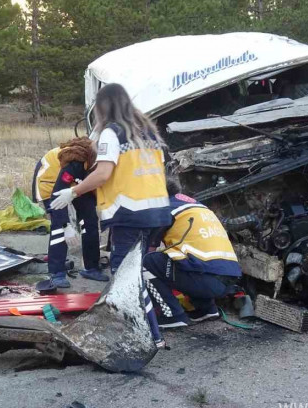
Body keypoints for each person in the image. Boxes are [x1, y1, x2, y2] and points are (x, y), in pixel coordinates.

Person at [49, 84, 172, 273]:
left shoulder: (113, 133)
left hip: (131, 214)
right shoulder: (150, 134)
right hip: (159, 214)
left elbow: (103, 174)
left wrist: (73, 192)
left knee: (123, 272)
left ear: (102, 108)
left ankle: (126, 303)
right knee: (142, 269)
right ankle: (146, 302)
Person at [143, 179, 242, 328]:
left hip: (206, 280)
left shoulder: (163, 208)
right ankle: (206, 309)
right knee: (187, 259)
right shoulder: (196, 205)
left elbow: (149, 251)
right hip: (230, 278)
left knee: (146, 263)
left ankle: (172, 315)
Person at [32, 137, 108, 290]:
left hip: (76, 183)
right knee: (59, 229)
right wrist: (66, 225)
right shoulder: (76, 161)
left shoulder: (102, 162)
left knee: (90, 220)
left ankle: (91, 267)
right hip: (51, 183)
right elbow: (58, 194)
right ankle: (56, 272)